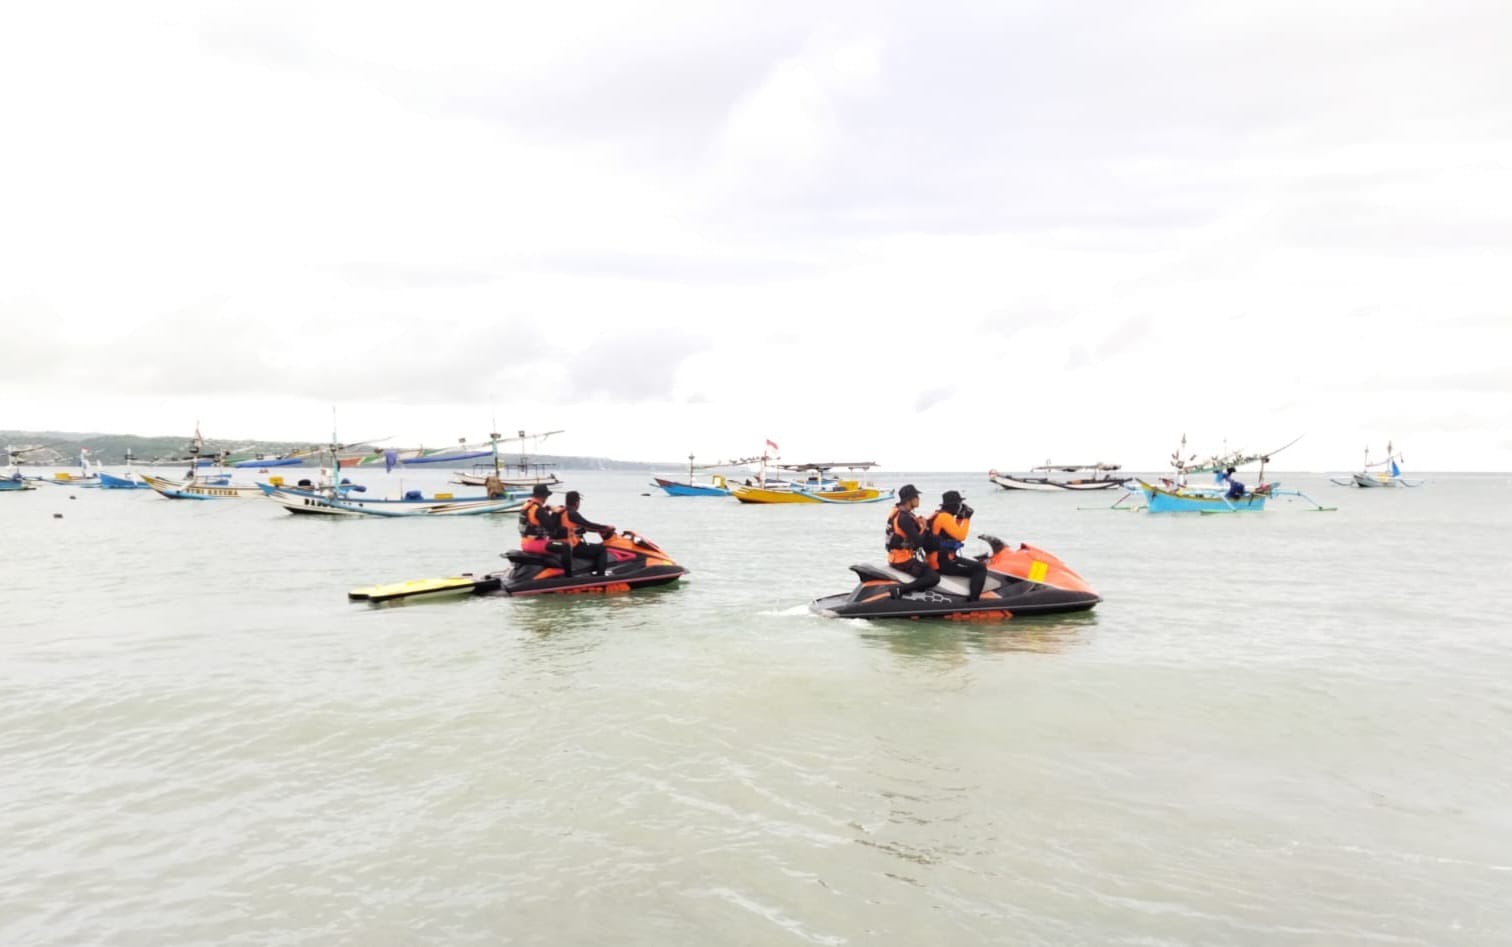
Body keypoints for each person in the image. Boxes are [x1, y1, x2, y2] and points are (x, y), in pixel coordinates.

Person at [927, 490, 986, 601]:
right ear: (953, 505)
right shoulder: (945, 517)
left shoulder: (939, 515)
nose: (960, 507)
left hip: (937, 559)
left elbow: (953, 532)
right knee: (980, 568)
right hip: (943, 562)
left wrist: (959, 518)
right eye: (959, 504)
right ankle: (974, 600)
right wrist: (967, 518)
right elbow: (960, 536)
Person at [885, 484, 939, 598]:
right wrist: (924, 527)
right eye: (916, 497)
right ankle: (900, 590)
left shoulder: (898, 511)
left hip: (896, 556)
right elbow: (919, 542)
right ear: (910, 499)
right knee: (933, 577)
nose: (918, 499)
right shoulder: (903, 517)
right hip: (902, 560)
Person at [553, 490, 615, 576]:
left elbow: (583, 527)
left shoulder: (561, 512)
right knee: (601, 549)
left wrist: (597, 530)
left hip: (560, 545)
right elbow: (588, 524)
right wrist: (606, 527)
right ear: (577, 502)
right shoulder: (573, 513)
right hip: (572, 546)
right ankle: (600, 575)